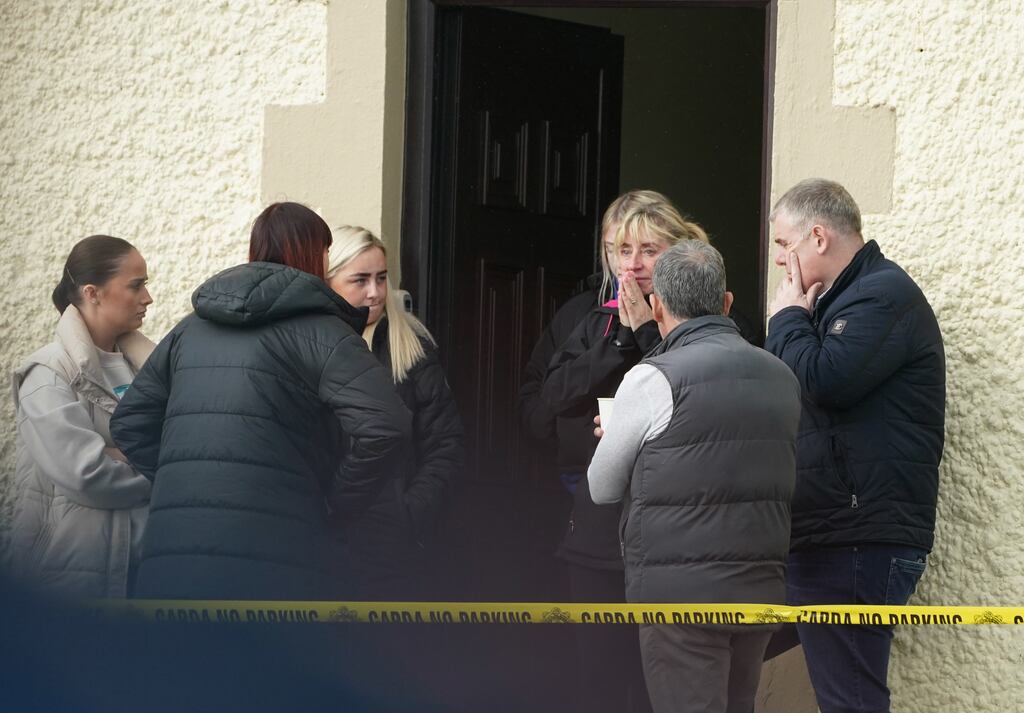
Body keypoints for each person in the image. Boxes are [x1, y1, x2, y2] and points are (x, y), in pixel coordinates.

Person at [110, 202, 411, 599]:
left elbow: (129, 423)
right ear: (313, 255)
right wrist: (335, 503)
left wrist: (181, 485)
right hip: (276, 563)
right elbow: (387, 425)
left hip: (174, 559)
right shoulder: (326, 333)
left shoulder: (190, 330)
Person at [588, 239, 802, 713]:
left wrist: (619, 437)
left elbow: (600, 487)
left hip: (678, 597)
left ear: (656, 306)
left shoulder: (652, 378)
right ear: (726, 303)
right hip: (758, 589)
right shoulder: (782, 375)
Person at [764, 178, 945, 713]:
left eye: (783, 244)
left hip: (855, 538)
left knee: (851, 699)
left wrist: (788, 318)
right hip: (828, 533)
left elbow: (823, 380)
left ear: (817, 237)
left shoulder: (881, 295)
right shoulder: (838, 301)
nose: (780, 261)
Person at [529, 191, 709, 713]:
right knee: (600, 681)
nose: (633, 265)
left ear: (677, 252)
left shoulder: (710, 314)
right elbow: (548, 399)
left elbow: (696, 396)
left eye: (648, 251)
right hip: (597, 525)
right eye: (621, 251)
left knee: (665, 686)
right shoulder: (593, 318)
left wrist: (647, 333)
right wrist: (616, 343)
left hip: (673, 530)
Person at [7, 235, 155, 598]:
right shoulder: (47, 373)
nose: (148, 298)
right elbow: (86, 474)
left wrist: (118, 454)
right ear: (93, 293)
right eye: (136, 286)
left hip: (142, 579)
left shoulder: (151, 370)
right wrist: (165, 467)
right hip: (67, 584)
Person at [326, 225, 464, 599]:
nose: (374, 292)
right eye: (360, 280)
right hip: (325, 543)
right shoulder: (310, 347)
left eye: (381, 278)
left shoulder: (411, 345)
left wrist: (408, 515)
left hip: (392, 548)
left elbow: (445, 445)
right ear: (328, 281)